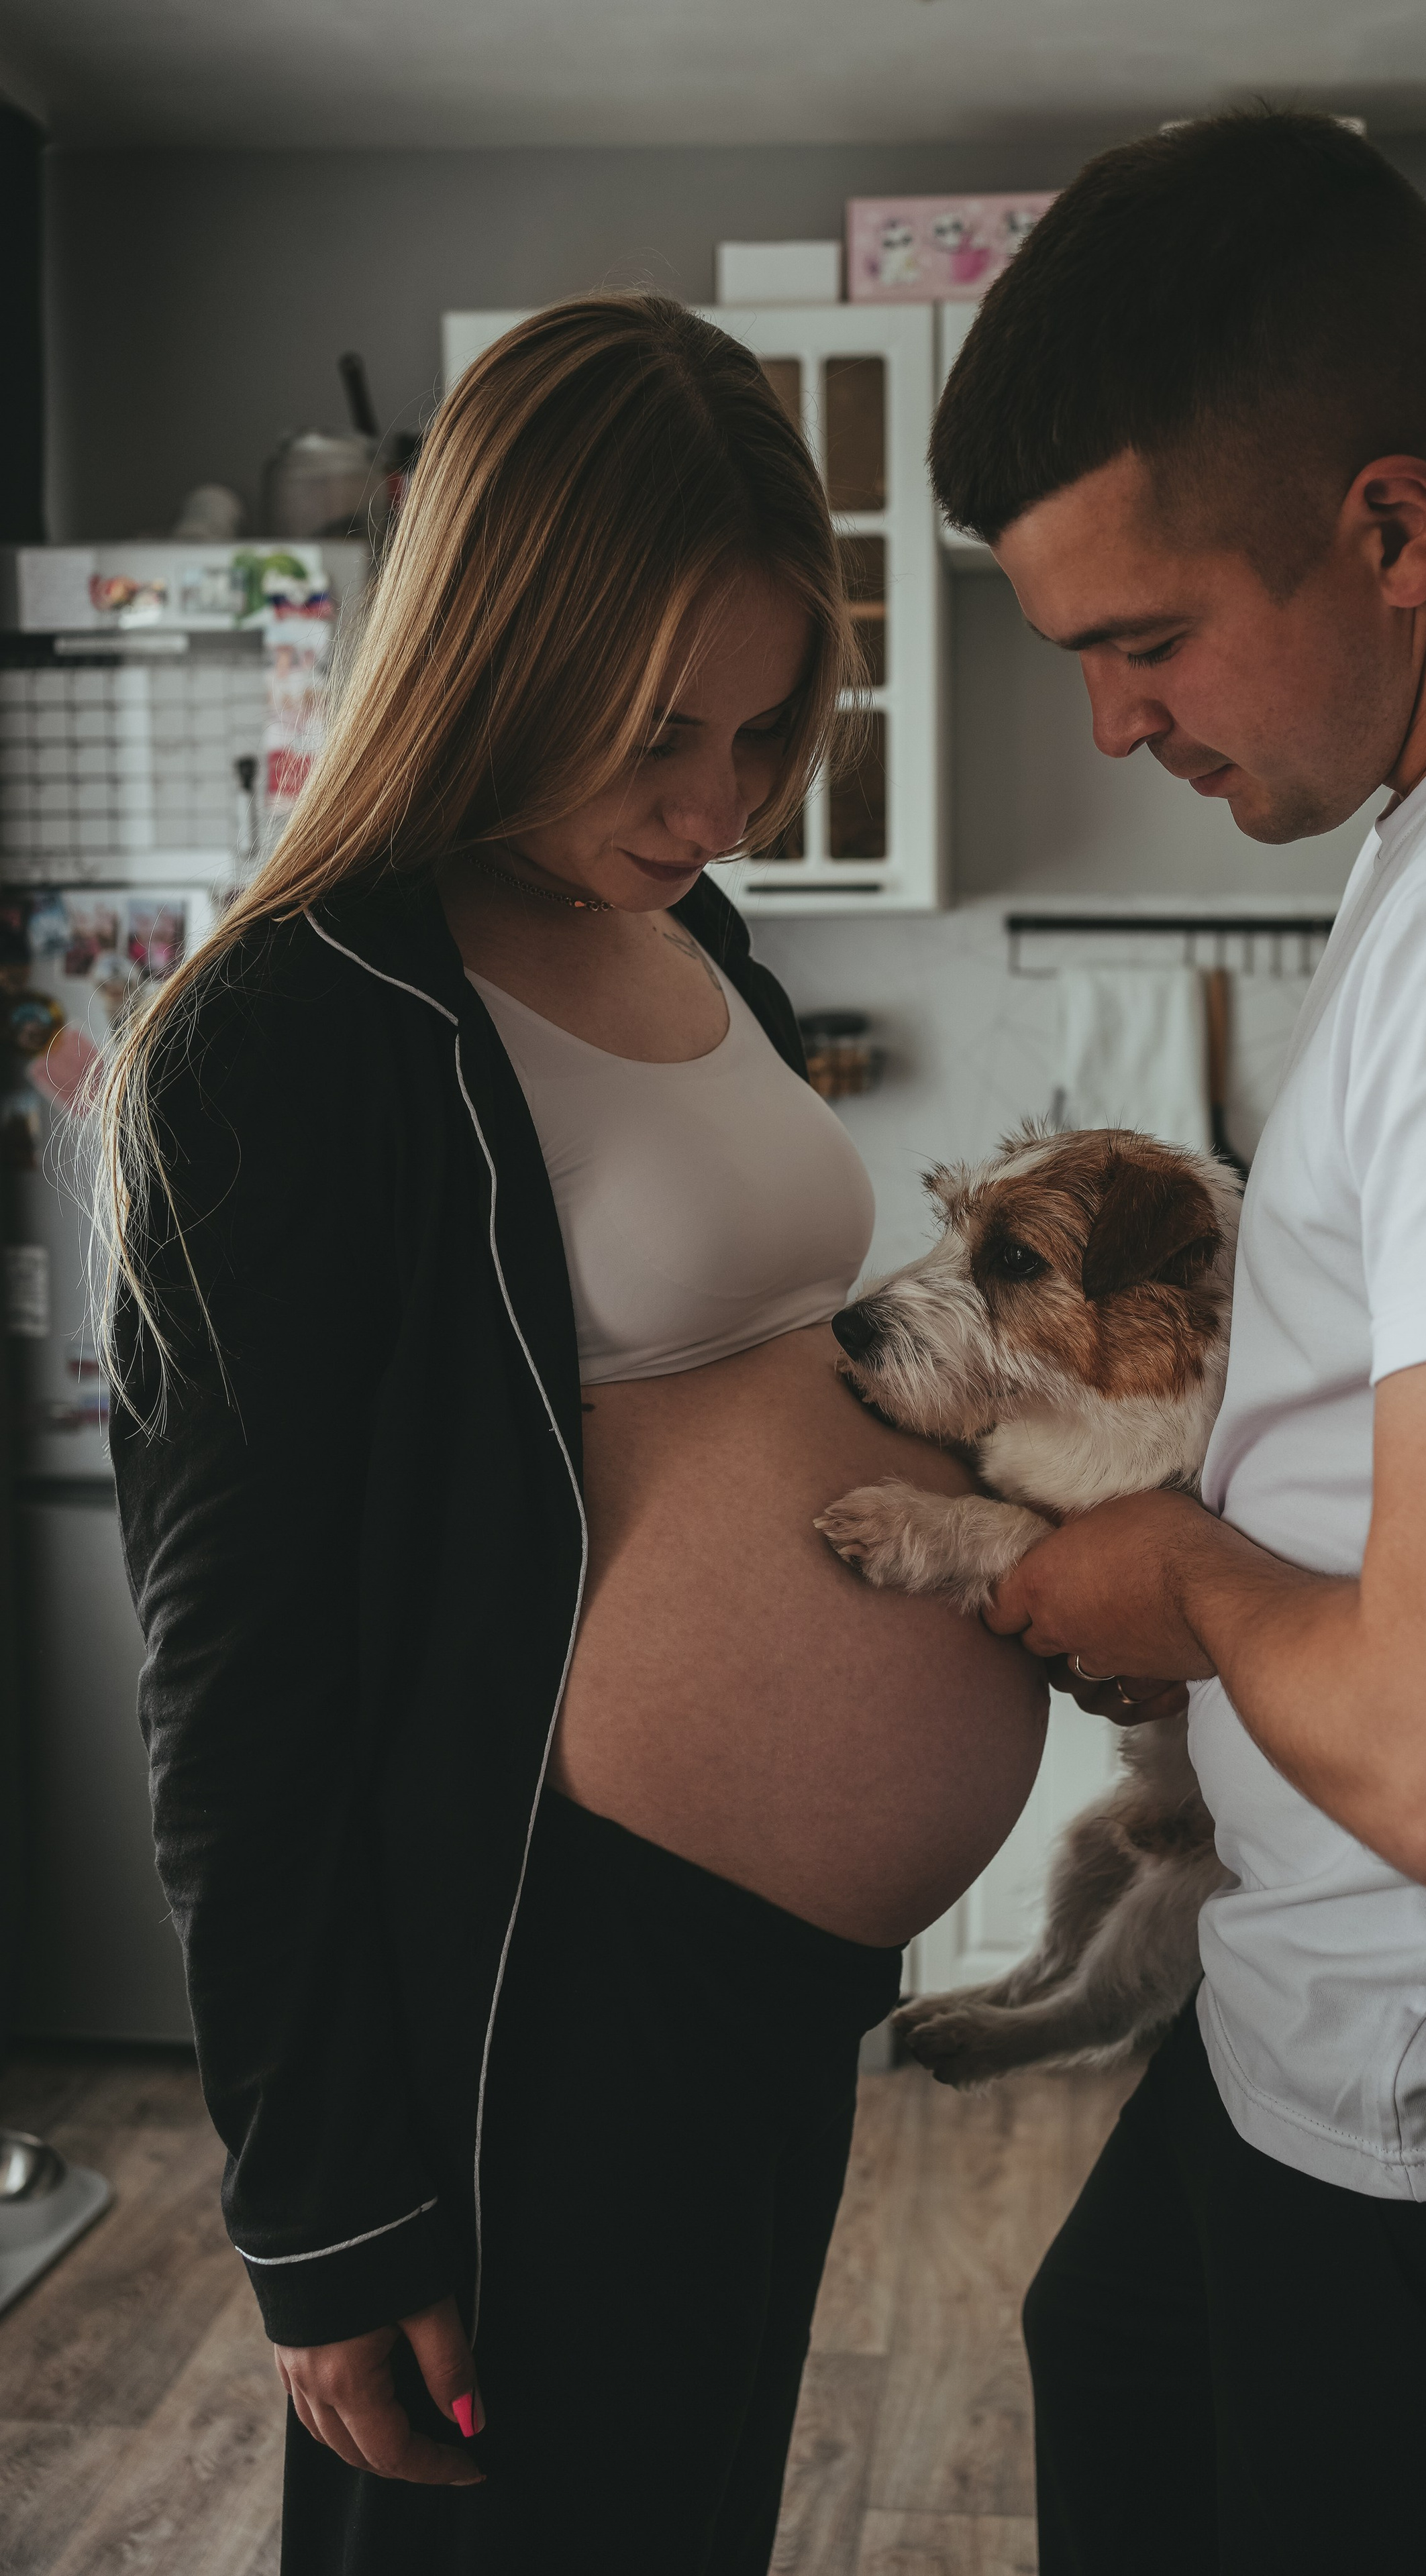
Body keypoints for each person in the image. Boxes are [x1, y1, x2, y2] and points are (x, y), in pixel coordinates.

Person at [99, 293, 1048, 2575]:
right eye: (652, 736)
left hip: (761, 1988)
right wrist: (324, 2214)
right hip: (538, 2005)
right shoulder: (294, 1037)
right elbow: (241, 1686)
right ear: (490, 657)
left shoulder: (703, 930)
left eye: (758, 730)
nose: (716, 804)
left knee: (677, 2525)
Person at [930, 111, 1426, 2575]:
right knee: (1115, 2357)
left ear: (1391, 530)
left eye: (1142, 642)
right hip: (1362, 2009)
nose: (1109, 728)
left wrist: (1181, 1582)